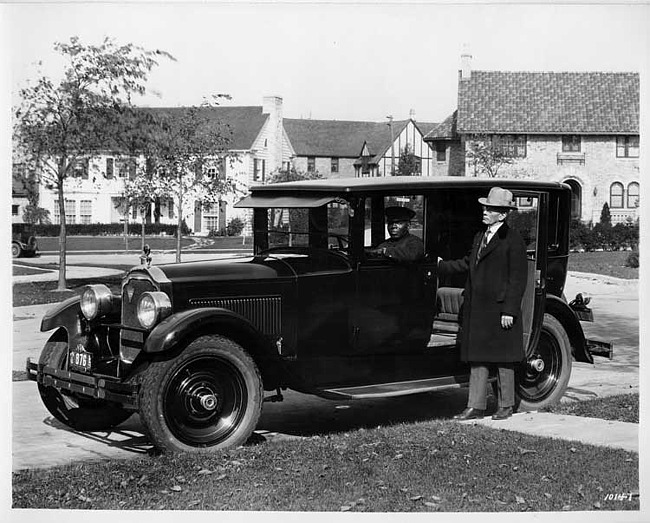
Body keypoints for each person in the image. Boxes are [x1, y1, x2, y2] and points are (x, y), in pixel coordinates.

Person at [438, 187, 528, 420]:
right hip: (478, 309)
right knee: (478, 358)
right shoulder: (480, 236)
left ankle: (506, 405)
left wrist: (509, 310)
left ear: (504, 214)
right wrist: (441, 265)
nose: (485, 211)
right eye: (486, 207)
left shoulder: (513, 239)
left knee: (503, 359)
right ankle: (475, 406)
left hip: (499, 310)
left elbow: (517, 279)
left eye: (491, 209)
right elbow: (468, 263)